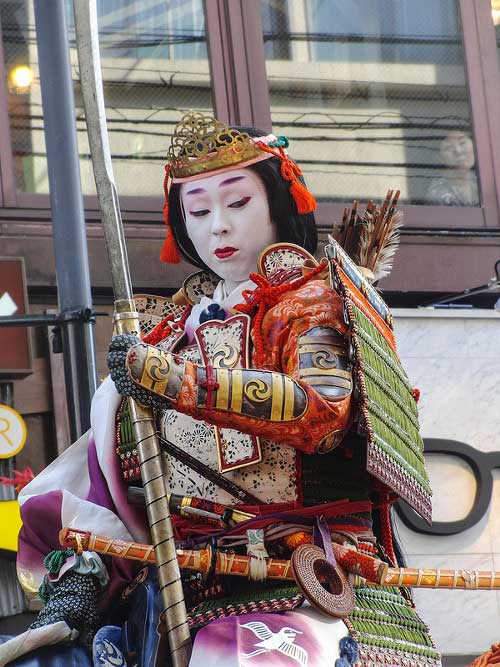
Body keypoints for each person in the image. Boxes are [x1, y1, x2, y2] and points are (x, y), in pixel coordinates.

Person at [3, 112, 439, 667]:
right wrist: (85, 571)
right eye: (199, 210)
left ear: (279, 204)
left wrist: (177, 381)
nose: (219, 228)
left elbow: (323, 412)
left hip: (296, 578)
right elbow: (109, 471)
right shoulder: (168, 329)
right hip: (171, 584)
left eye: (237, 204)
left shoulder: (311, 303)